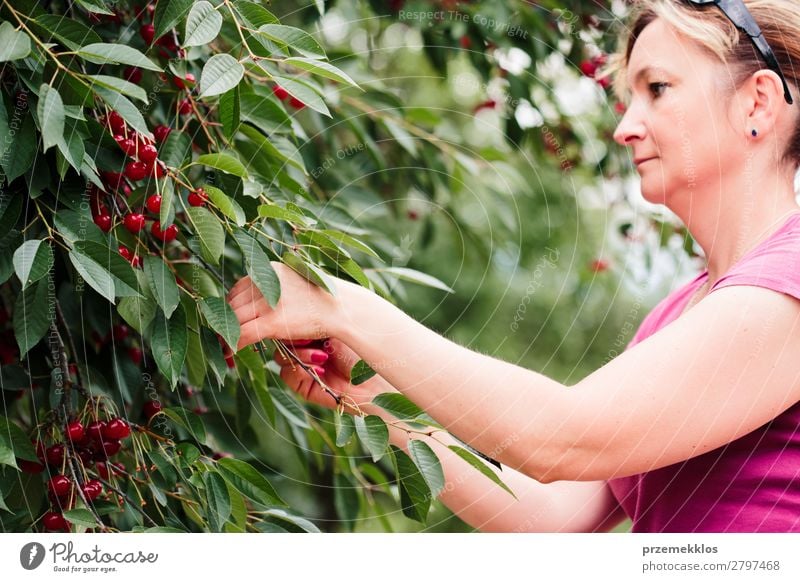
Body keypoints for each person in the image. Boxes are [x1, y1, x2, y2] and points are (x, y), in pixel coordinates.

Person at [225, 0, 800, 532]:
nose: (625, 126)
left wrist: (347, 310)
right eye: (629, 98)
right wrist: (372, 392)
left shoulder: (789, 284)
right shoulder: (680, 314)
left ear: (758, 103)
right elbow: (554, 516)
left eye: (657, 88)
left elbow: (558, 438)